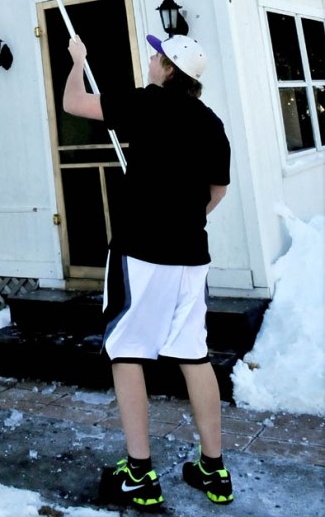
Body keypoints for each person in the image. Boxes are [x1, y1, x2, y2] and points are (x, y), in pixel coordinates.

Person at [63, 32, 234, 509]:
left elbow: (74, 103)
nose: (152, 61)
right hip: (191, 258)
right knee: (193, 355)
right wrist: (181, 217)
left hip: (140, 255)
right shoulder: (211, 123)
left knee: (128, 353)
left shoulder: (146, 103)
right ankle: (213, 468)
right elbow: (216, 192)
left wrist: (79, 59)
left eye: (158, 57)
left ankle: (140, 473)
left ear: (169, 70)